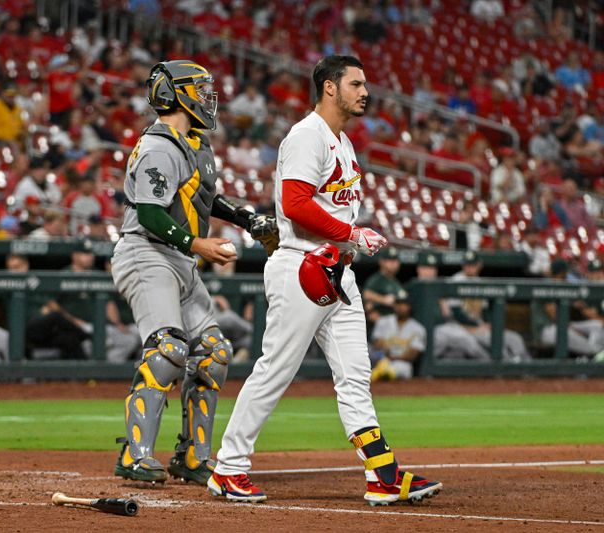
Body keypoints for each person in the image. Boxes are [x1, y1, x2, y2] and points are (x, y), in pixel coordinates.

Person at [209, 55, 441, 505]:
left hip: (338, 270)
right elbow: (294, 204)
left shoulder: (342, 142)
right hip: (302, 264)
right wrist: (351, 233)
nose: (365, 92)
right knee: (276, 369)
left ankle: (383, 474)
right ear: (329, 88)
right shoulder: (306, 135)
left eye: (365, 84)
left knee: (356, 376)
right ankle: (228, 468)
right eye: (356, 83)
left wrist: (348, 240)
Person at [111, 60, 278, 486]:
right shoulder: (158, 146)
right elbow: (149, 212)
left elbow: (203, 196)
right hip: (146, 252)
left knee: (213, 353)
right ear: (176, 94)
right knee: (168, 348)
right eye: (200, 90)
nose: (208, 98)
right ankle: (134, 453)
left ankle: (191, 456)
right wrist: (198, 243)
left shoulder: (193, 142)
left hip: (178, 259)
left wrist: (245, 218)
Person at [445, 251, 531, 362]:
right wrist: (479, 325)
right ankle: (508, 367)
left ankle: (527, 366)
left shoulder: (480, 282)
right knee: (495, 342)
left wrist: (490, 324)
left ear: (479, 265)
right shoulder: (455, 281)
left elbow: (485, 311)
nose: (470, 268)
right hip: (461, 327)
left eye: (473, 265)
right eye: (467, 265)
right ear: (463, 265)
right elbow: (456, 312)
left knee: (515, 339)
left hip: (480, 327)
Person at [369, 289, 426, 381]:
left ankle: (378, 374)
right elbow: (377, 344)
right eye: (398, 303)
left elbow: (413, 355)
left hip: (401, 362)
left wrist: (393, 357)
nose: (400, 307)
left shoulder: (418, 328)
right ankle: (380, 372)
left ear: (409, 306)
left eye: (404, 304)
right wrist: (384, 350)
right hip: (381, 359)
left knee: (403, 368)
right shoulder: (383, 321)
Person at [362, 246, 404, 324]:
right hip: (381, 325)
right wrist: (383, 299)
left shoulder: (395, 282)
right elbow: (366, 294)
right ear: (382, 262)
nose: (393, 263)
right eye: (390, 260)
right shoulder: (376, 279)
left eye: (395, 260)